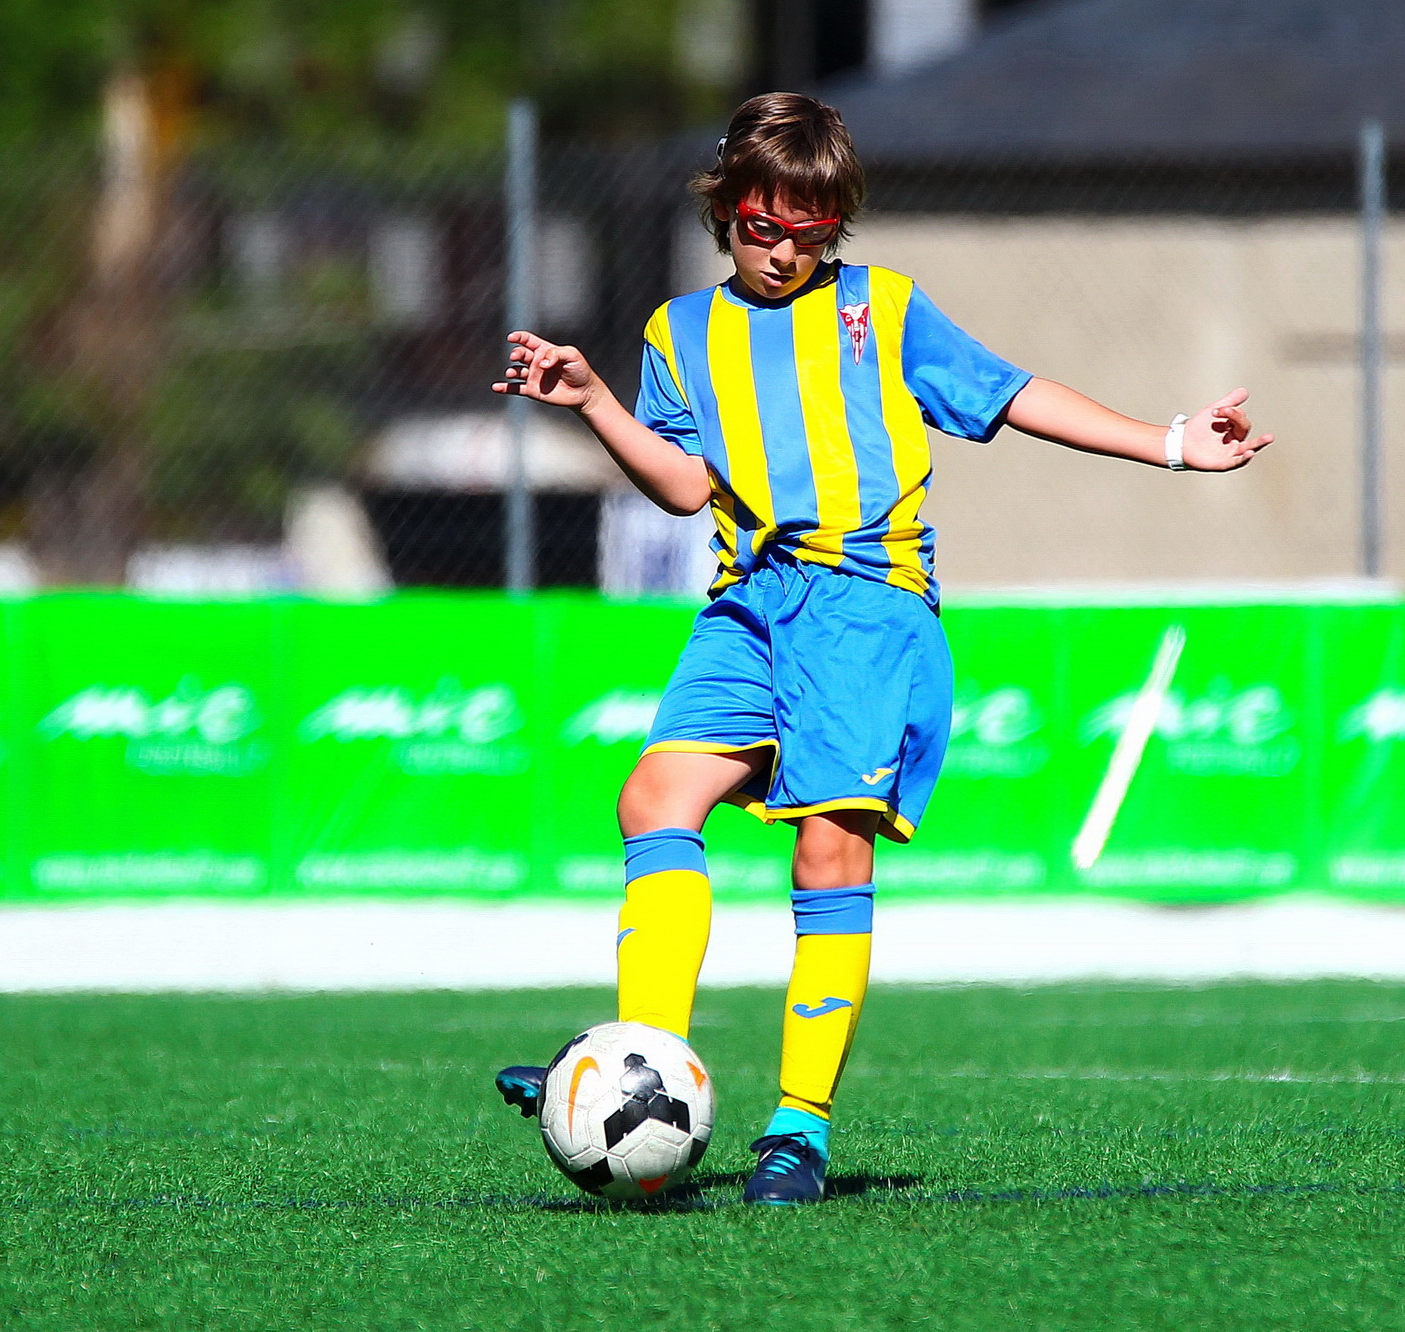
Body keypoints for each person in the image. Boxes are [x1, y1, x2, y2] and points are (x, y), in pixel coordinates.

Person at [490, 93, 1274, 1204]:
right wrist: (592, 402)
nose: (784, 252)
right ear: (725, 210)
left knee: (828, 853)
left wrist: (1172, 444)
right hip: (747, 601)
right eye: (763, 227)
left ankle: (798, 1129)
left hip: (868, 608)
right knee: (652, 798)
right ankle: (637, 1066)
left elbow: (1011, 396)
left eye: (811, 232)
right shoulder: (679, 332)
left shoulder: (882, 309)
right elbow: (683, 487)